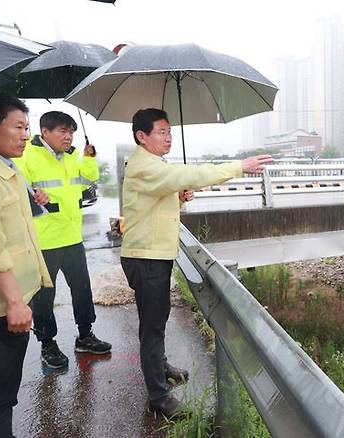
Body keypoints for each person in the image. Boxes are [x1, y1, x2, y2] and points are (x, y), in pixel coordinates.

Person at [120, 108, 272, 417]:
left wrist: (177, 197)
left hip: (154, 254)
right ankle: (159, 397)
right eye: (162, 132)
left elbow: (152, 204)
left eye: (170, 132)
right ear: (142, 136)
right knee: (152, 327)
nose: (169, 137)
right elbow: (191, 174)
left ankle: (160, 369)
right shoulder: (143, 166)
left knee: (157, 319)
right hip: (146, 257)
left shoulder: (151, 165)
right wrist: (239, 167)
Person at [13, 111, 111, 370]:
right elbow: (18, 194)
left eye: (71, 132)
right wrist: (35, 198)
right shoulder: (27, 157)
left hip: (72, 236)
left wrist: (90, 159)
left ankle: (85, 335)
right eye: (62, 131)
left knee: (82, 289)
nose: (68, 137)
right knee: (45, 296)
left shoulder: (72, 156)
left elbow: (88, 184)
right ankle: (47, 344)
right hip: (44, 241)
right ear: (45, 132)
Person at [0, 93, 52, 437]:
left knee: (3, 387)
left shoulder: (6, 167)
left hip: (15, 300)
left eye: (27, 127)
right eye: (18, 126)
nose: (26, 134)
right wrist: (13, 301)